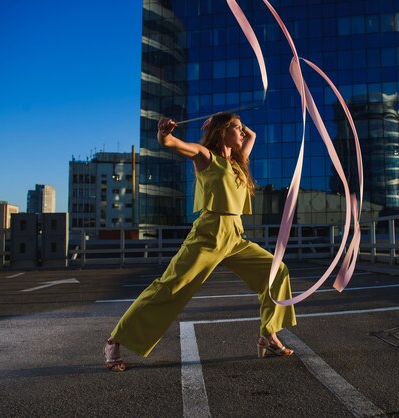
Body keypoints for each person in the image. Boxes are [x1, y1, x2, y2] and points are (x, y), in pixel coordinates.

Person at [103, 113, 297, 372]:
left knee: (276, 271)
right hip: (208, 234)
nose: (241, 133)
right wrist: (164, 132)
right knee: (170, 287)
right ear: (222, 132)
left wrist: (228, 120)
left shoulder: (239, 163)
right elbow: (170, 143)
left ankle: (268, 334)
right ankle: (115, 340)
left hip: (235, 236)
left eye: (239, 129)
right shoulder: (205, 156)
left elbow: (253, 135)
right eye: (235, 129)